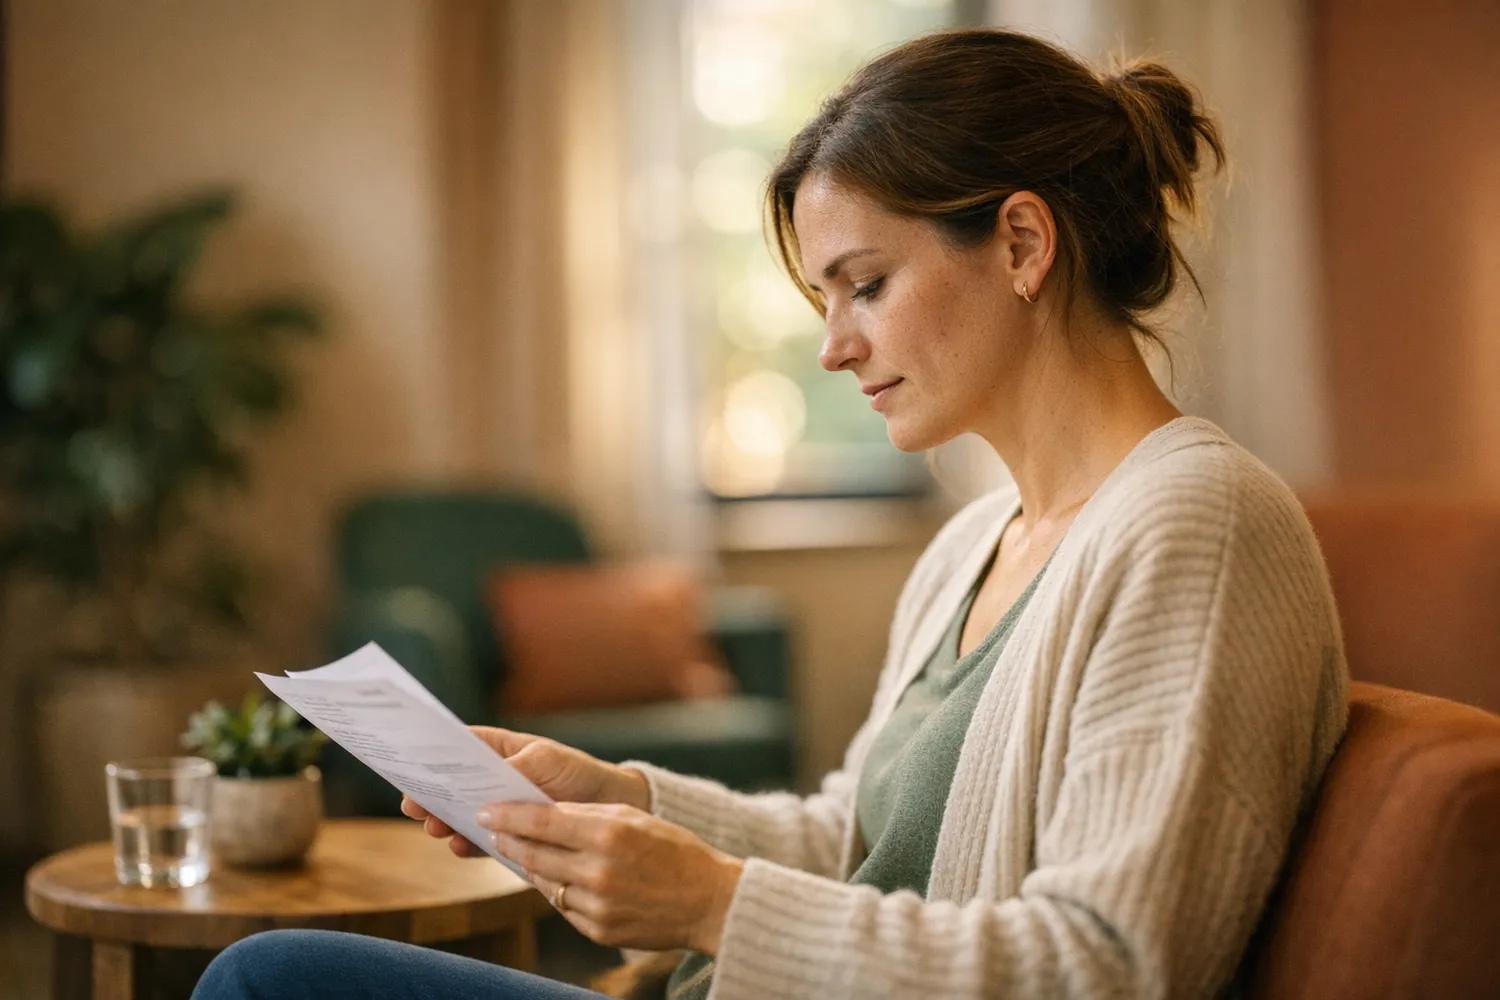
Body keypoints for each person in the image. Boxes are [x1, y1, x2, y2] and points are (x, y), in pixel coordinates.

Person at [193, 26, 1347, 1000]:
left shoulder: (1200, 524)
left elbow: (1111, 965)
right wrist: (627, 796)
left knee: (266, 980)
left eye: (867, 285)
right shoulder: (973, 544)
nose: (834, 346)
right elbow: (856, 842)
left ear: (1022, 243)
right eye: (825, 298)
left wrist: (712, 901)